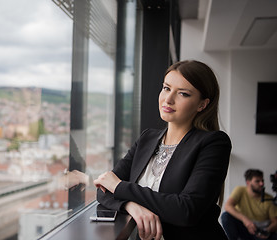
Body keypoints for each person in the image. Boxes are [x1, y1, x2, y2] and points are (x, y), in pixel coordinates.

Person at [93, 60, 232, 240]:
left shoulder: (214, 143)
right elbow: (103, 189)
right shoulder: (147, 139)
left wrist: (120, 187)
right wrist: (131, 206)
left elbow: (185, 210)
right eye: (166, 88)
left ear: (202, 104)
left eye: (183, 93)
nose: (168, 99)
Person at [221, 169, 277, 240]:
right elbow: (228, 206)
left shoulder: (269, 198)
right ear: (248, 182)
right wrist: (245, 220)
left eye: (262, 181)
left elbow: (275, 222)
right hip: (244, 228)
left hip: (260, 232)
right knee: (226, 216)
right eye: (257, 181)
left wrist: (266, 231)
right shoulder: (240, 190)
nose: (261, 184)